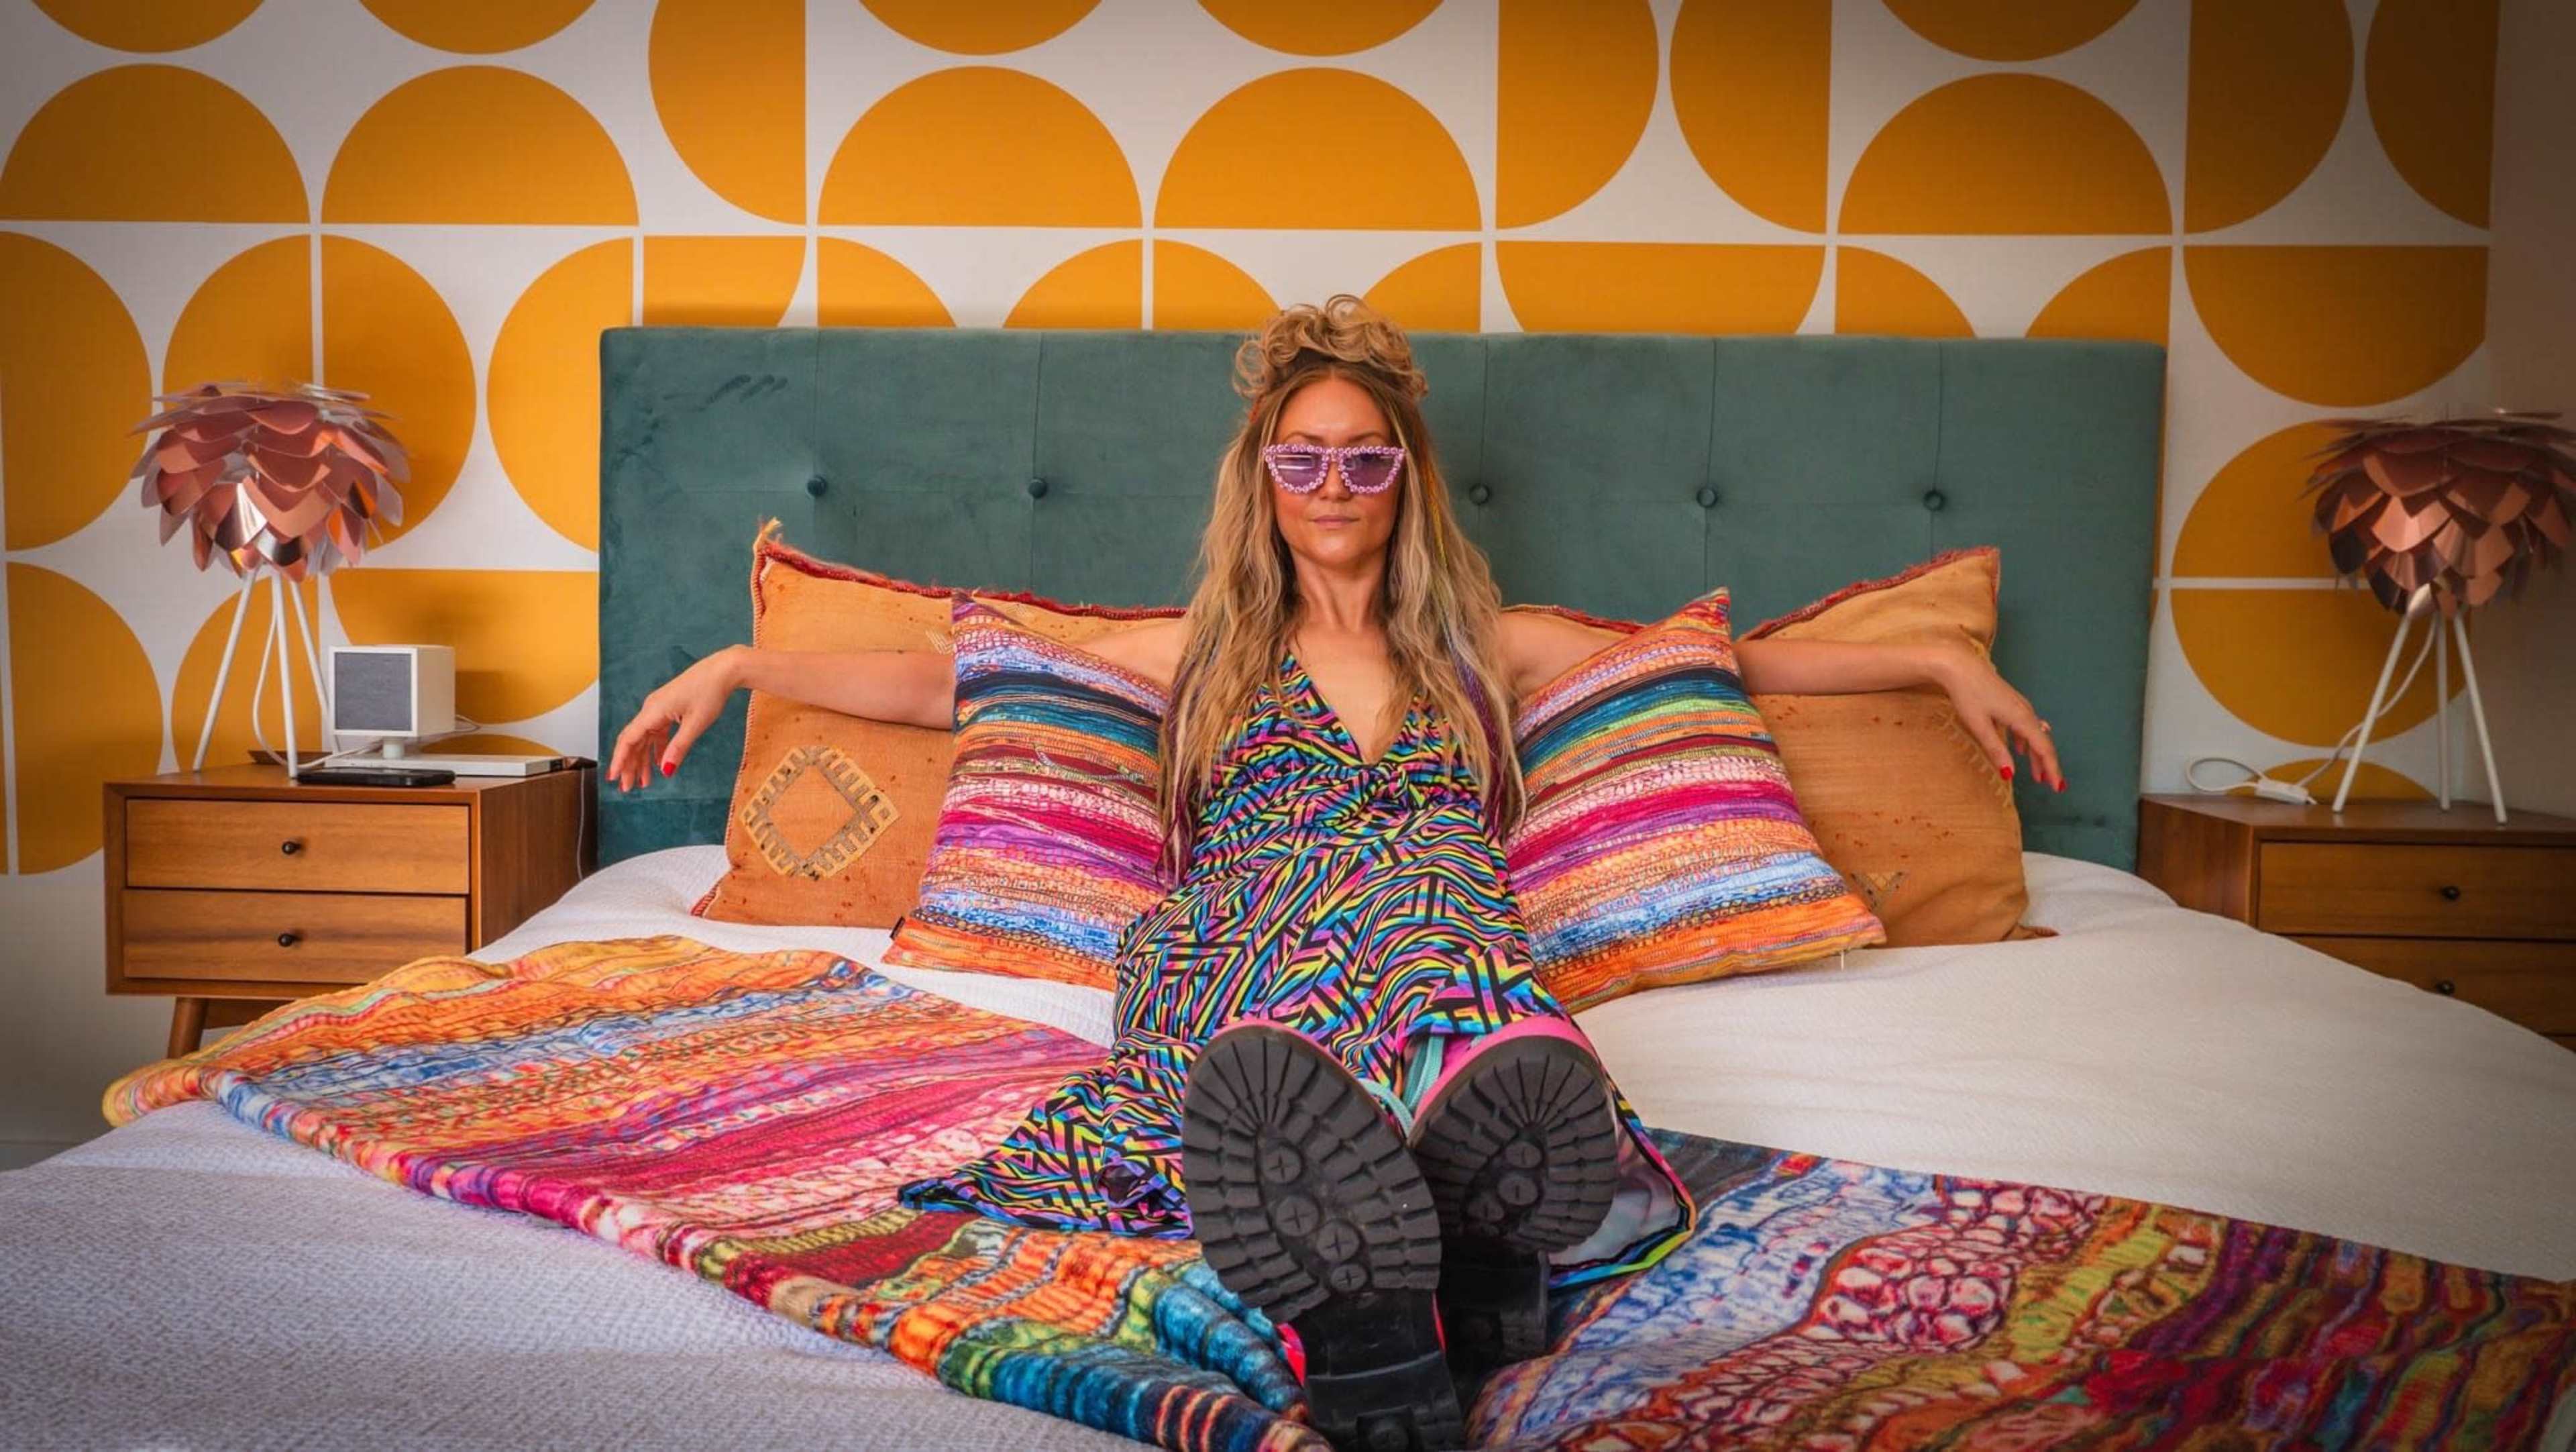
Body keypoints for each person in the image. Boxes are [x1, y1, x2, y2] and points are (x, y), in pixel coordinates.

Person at [608, 297, 2061, 1451]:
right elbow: (953, 683)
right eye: (1301, 458)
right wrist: (740, 664)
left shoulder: (1485, 644)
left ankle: (1399, 1255)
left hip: (1443, 933)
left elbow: (1723, 663)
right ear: (1263, 476)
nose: (1333, 487)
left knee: (1439, 905)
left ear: (1406, 476)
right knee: (1375, 954)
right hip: (1240, 939)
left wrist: (1937, 659)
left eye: (1366, 457)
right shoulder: (1202, 649)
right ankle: (1462, 1225)